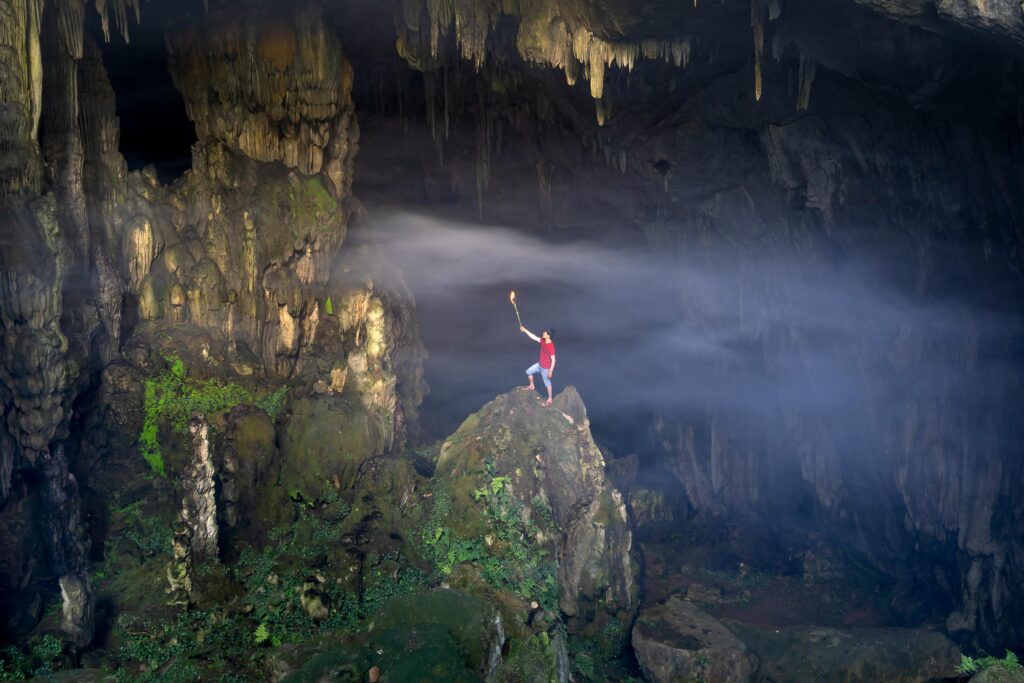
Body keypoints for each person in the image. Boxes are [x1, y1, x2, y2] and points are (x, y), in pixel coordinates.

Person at [519, 325, 556, 406]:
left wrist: (550, 371)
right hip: (539, 364)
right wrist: (525, 330)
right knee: (528, 372)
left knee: (547, 383)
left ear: (548, 335)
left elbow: (553, 359)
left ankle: (550, 399)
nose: (543, 333)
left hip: (545, 368)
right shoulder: (543, 340)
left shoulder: (551, 346)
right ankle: (532, 386)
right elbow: (534, 337)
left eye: (545, 333)